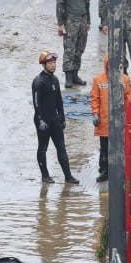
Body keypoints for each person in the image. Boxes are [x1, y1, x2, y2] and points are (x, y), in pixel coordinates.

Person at [32, 51, 79, 184]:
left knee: (61, 147)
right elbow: (36, 103)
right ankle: (45, 175)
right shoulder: (38, 82)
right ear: (44, 65)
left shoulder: (55, 80)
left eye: (54, 63)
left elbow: (59, 100)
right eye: (50, 63)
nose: (53, 65)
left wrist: (62, 117)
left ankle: (68, 176)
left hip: (55, 119)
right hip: (43, 120)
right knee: (43, 147)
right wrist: (40, 119)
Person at [90, 56, 131, 183]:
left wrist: (128, 118)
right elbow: (95, 99)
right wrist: (95, 114)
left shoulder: (125, 79)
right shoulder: (98, 80)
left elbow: (129, 99)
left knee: (120, 147)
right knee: (104, 149)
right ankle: (104, 171)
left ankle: (120, 171)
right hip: (104, 121)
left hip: (120, 122)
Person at [57, 0, 91, 89]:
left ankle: (75, 74)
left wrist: (88, 21)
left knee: (80, 48)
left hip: (82, 19)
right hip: (70, 19)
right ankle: (68, 77)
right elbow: (60, 4)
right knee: (69, 48)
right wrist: (61, 23)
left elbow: (87, 4)